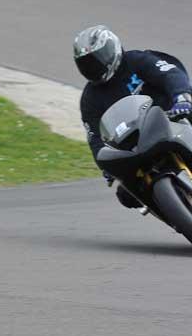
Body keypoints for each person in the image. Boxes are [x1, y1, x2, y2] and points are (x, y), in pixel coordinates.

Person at [75, 25, 192, 208]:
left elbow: (170, 75)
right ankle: (175, 212)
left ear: (111, 49)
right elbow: (94, 136)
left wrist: (182, 97)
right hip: (136, 144)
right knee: (126, 195)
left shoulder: (137, 61)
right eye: (86, 64)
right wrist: (104, 162)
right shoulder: (90, 98)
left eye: (96, 60)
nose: (92, 67)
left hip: (172, 117)